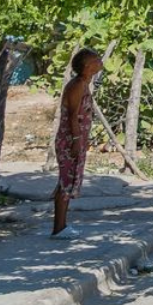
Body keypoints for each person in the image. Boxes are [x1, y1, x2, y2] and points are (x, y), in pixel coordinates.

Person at [51, 48, 102, 239]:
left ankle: (62, 226)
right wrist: (75, 140)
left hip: (76, 139)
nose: (99, 61)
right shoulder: (77, 85)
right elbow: (73, 116)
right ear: (87, 66)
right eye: (95, 60)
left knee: (68, 181)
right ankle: (59, 228)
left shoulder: (85, 84)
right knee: (66, 182)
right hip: (69, 139)